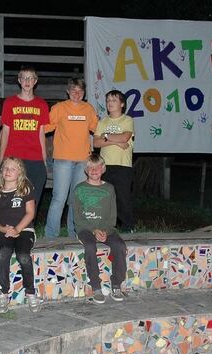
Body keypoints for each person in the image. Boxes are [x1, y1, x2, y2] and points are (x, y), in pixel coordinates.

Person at [44, 77, 98, 238]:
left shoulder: (88, 109)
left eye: (80, 90)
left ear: (84, 93)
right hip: (63, 160)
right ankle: (51, 235)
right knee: (59, 198)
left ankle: (73, 234)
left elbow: (97, 129)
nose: (77, 93)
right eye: (73, 90)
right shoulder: (59, 108)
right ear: (67, 91)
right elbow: (45, 127)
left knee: (76, 200)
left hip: (83, 161)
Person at [0, 157, 41, 313]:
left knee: (23, 256)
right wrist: (4, 229)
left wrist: (17, 229)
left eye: (12, 168)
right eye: (5, 168)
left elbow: (30, 213)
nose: (8, 171)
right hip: (3, 231)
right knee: (4, 254)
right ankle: (4, 293)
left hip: (24, 230)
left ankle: (31, 292)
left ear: (20, 173)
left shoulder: (26, 189)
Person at [73, 154, 128, 304]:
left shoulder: (109, 188)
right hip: (85, 228)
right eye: (90, 167)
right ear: (86, 170)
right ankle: (96, 287)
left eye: (97, 167)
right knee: (90, 246)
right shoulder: (79, 188)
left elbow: (112, 216)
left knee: (119, 246)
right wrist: (94, 230)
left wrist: (104, 230)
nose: (94, 170)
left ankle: (116, 284)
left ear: (103, 169)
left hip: (106, 229)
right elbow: (77, 218)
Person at [0, 66, 49, 210]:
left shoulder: (41, 104)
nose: (27, 81)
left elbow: (41, 132)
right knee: (11, 196)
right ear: (19, 81)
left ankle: (28, 227)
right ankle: (8, 227)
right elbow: (5, 132)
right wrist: (1, 160)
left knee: (33, 197)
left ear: (35, 81)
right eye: (24, 78)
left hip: (35, 157)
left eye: (30, 78)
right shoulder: (9, 102)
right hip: (14, 157)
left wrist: (44, 159)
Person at [93, 90, 135, 232]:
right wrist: (115, 141)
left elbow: (125, 138)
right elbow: (96, 143)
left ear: (122, 104)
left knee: (123, 198)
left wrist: (105, 135)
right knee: (106, 199)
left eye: (114, 100)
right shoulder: (102, 121)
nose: (110, 103)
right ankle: (108, 227)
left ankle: (128, 228)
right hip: (104, 166)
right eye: (108, 101)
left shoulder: (127, 120)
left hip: (123, 165)